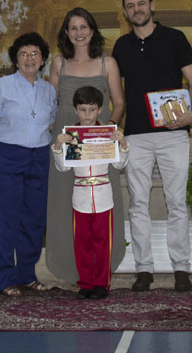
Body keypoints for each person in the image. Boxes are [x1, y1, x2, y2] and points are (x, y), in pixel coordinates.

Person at [112, 0, 192, 292]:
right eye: (130, 5)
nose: (136, 9)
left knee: (177, 202)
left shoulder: (175, 38)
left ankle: (181, 268)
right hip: (135, 136)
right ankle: (144, 269)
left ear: (152, 5)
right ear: (125, 11)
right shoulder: (121, 46)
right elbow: (116, 94)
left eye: (141, 3)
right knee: (138, 203)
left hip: (173, 134)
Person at [46, 7, 126, 286]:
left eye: (84, 27)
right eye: (73, 28)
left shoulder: (108, 63)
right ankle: (72, 269)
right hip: (67, 144)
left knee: (102, 205)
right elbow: (50, 103)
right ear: (66, 33)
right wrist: (56, 138)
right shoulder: (59, 63)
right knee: (64, 203)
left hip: (99, 146)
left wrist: (105, 132)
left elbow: (119, 103)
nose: (79, 33)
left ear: (92, 30)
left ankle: (101, 270)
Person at [0, 32, 57, 297]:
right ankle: (4, 278)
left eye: (35, 53)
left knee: (34, 219)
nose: (29, 58)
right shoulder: (1, 85)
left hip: (39, 156)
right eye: (23, 54)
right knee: (5, 218)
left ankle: (27, 275)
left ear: (43, 59)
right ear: (15, 59)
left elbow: (50, 125)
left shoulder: (49, 90)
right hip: (7, 155)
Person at [52, 86, 129, 300]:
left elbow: (119, 165)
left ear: (100, 110)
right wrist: (58, 146)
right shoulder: (72, 136)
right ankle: (85, 284)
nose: (87, 115)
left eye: (92, 110)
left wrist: (122, 142)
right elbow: (63, 168)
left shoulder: (107, 134)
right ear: (75, 110)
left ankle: (101, 284)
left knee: (103, 243)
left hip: (104, 196)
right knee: (82, 244)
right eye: (83, 110)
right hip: (80, 197)